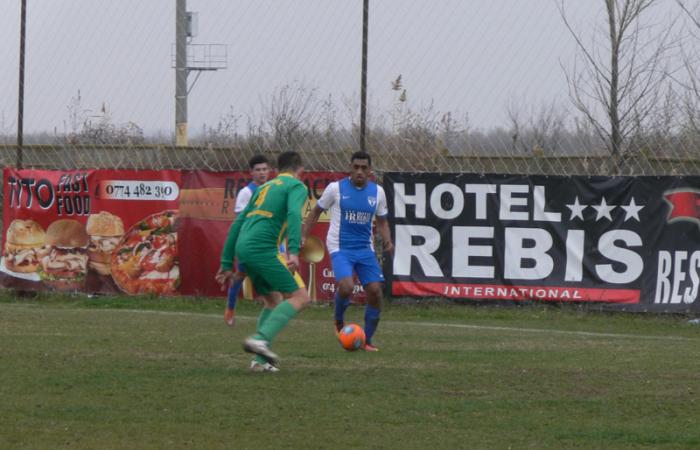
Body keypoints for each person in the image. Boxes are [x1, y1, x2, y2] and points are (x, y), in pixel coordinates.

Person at [216, 151, 310, 372]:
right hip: (263, 248)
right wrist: (293, 251)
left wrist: (227, 262)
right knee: (300, 297)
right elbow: (294, 214)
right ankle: (260, 339)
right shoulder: (296, 186)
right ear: (300, 170)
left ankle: (259, 362)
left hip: (244, 249)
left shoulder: (263, 188)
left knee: (273, 300)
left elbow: (237, 224)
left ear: (276, 170)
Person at [302, 151, 393, 351]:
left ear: (370, 171)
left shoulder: (378, 192)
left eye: (364, 168)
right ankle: (338, 321)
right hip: (340, 246)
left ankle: (366, 340)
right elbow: (316, 212)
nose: (359, 171)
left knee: (375, 292)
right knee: (346, 286)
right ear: (350, 168)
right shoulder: (335, 189)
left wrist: (388, 241)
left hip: (364, 248)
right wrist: (303, 236)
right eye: (356, 167)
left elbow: (383, 222)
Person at [224, 154, 270, 327]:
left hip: (271, 242)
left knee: (275, 276)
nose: (262, 173)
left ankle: (272, 311)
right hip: (251, 242)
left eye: (264, 169)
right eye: (258, 170)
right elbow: (240, 221)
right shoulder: (246, 193)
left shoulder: (273, 189)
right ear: (251, 172)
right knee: (240, 275)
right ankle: (230, 308)